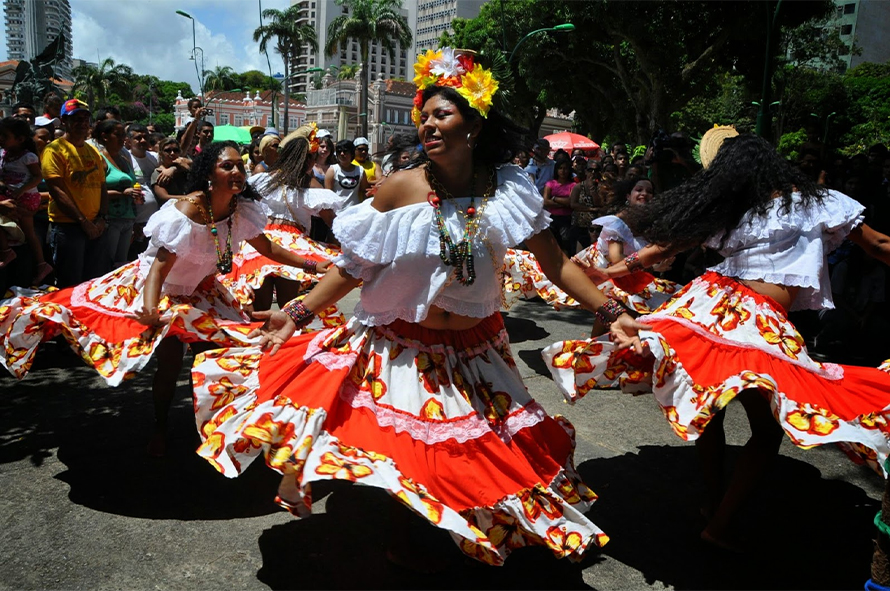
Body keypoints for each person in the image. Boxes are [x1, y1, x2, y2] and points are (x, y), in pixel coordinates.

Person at [188, 47, 645, 568]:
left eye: (441, 114)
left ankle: (451, 530)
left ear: (473, 125)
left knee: (479, 453)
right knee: (407, 450)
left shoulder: (509, 187)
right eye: (423, 116)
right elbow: (354, 265)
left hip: (474, 348)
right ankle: (400, 542)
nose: (427, 125)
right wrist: (296, 313)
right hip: (402, 344)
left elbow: (556, 263)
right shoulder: (401, 186)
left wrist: (611, 309)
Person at [544, 128, 890, 552]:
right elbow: (879, 245)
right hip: (754, 319)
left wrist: (611, 272)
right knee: (767, 430)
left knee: (710, 406)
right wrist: (612, 272)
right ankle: (720, 522)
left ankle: (713, 501)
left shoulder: (733, 207)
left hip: (709, 303)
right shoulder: (818, 201)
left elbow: (662, 248)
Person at [0, 140, 336, 456]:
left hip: (203, 290)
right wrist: (150, 310)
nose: (237, 172)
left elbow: (269, 248)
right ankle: (160, 427)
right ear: (209, 173)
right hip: (161, 291)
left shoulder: (241, 208)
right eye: (227, 166)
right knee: (171, 362)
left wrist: (312, 264)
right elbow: (158, 271)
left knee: (226, 355)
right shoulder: (187, 211)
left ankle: (217, 424)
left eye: (239, 166)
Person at [222, 124, 343, 312]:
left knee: (260, 307)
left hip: (260, 243)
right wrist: (342, 249)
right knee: (289, 306)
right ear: (308, 160)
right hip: (291, 247)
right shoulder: (309, 185)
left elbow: (240, 208)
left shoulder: (261, 179)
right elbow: (333, 223)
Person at [42, 99, 109, 288]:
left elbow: (102, 186)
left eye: (85, 119)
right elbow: (57, 190)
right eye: (76, 119)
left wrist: (102, 218)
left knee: (95, 283)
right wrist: (83, 221)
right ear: (64, 121)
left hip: (96, 226)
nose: (82, 123)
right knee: (70, 283)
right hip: (69, 227)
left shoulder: (93, 151)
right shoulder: (54, 150)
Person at [0, 117, 49, 281]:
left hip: (26, 197)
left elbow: (37, 177)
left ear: (20, 139)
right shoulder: (4, 154)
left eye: (5, 136)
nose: (1, 139)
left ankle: (41, 264)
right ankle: (7, 251)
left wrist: (21, 190)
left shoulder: (28, 157)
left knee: (29, 233)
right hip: (10, 195)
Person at [95, 119, 140, 270]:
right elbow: (95, 192)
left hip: (128, 219)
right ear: (105, 136)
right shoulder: (99, 159)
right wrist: (122, 193)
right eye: (118, 135)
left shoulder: (124, 159)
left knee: (121, 265)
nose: (122, 139)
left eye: (123, 135)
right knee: (106, 264)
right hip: (110, 219)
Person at [542, 159, 577, 255]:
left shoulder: (573, 185)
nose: (563, 171)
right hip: (552, 218)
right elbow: (545, 202)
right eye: (560, 168)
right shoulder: (550, 184)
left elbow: (571, 202)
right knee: (552, 243)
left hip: (567, 219)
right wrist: (563, 203)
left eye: (565, 168)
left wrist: (554, 198)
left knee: (565, 242)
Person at [324, 139, 368, 210]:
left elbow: (364, 191)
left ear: (352, 153)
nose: (342, 154)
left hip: (355, 211)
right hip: (337, 212)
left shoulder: (360, 170)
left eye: (345, 151)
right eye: (339, 151)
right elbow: (328, 195)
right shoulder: (332, 170)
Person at [150, 138, 190, 205]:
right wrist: (189, 198)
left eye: (176, 150)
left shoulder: (183, 168)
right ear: (160, 153)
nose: (172, 153)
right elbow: (164, 197)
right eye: (167, 150)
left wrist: (175, 169)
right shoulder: (158, 173)